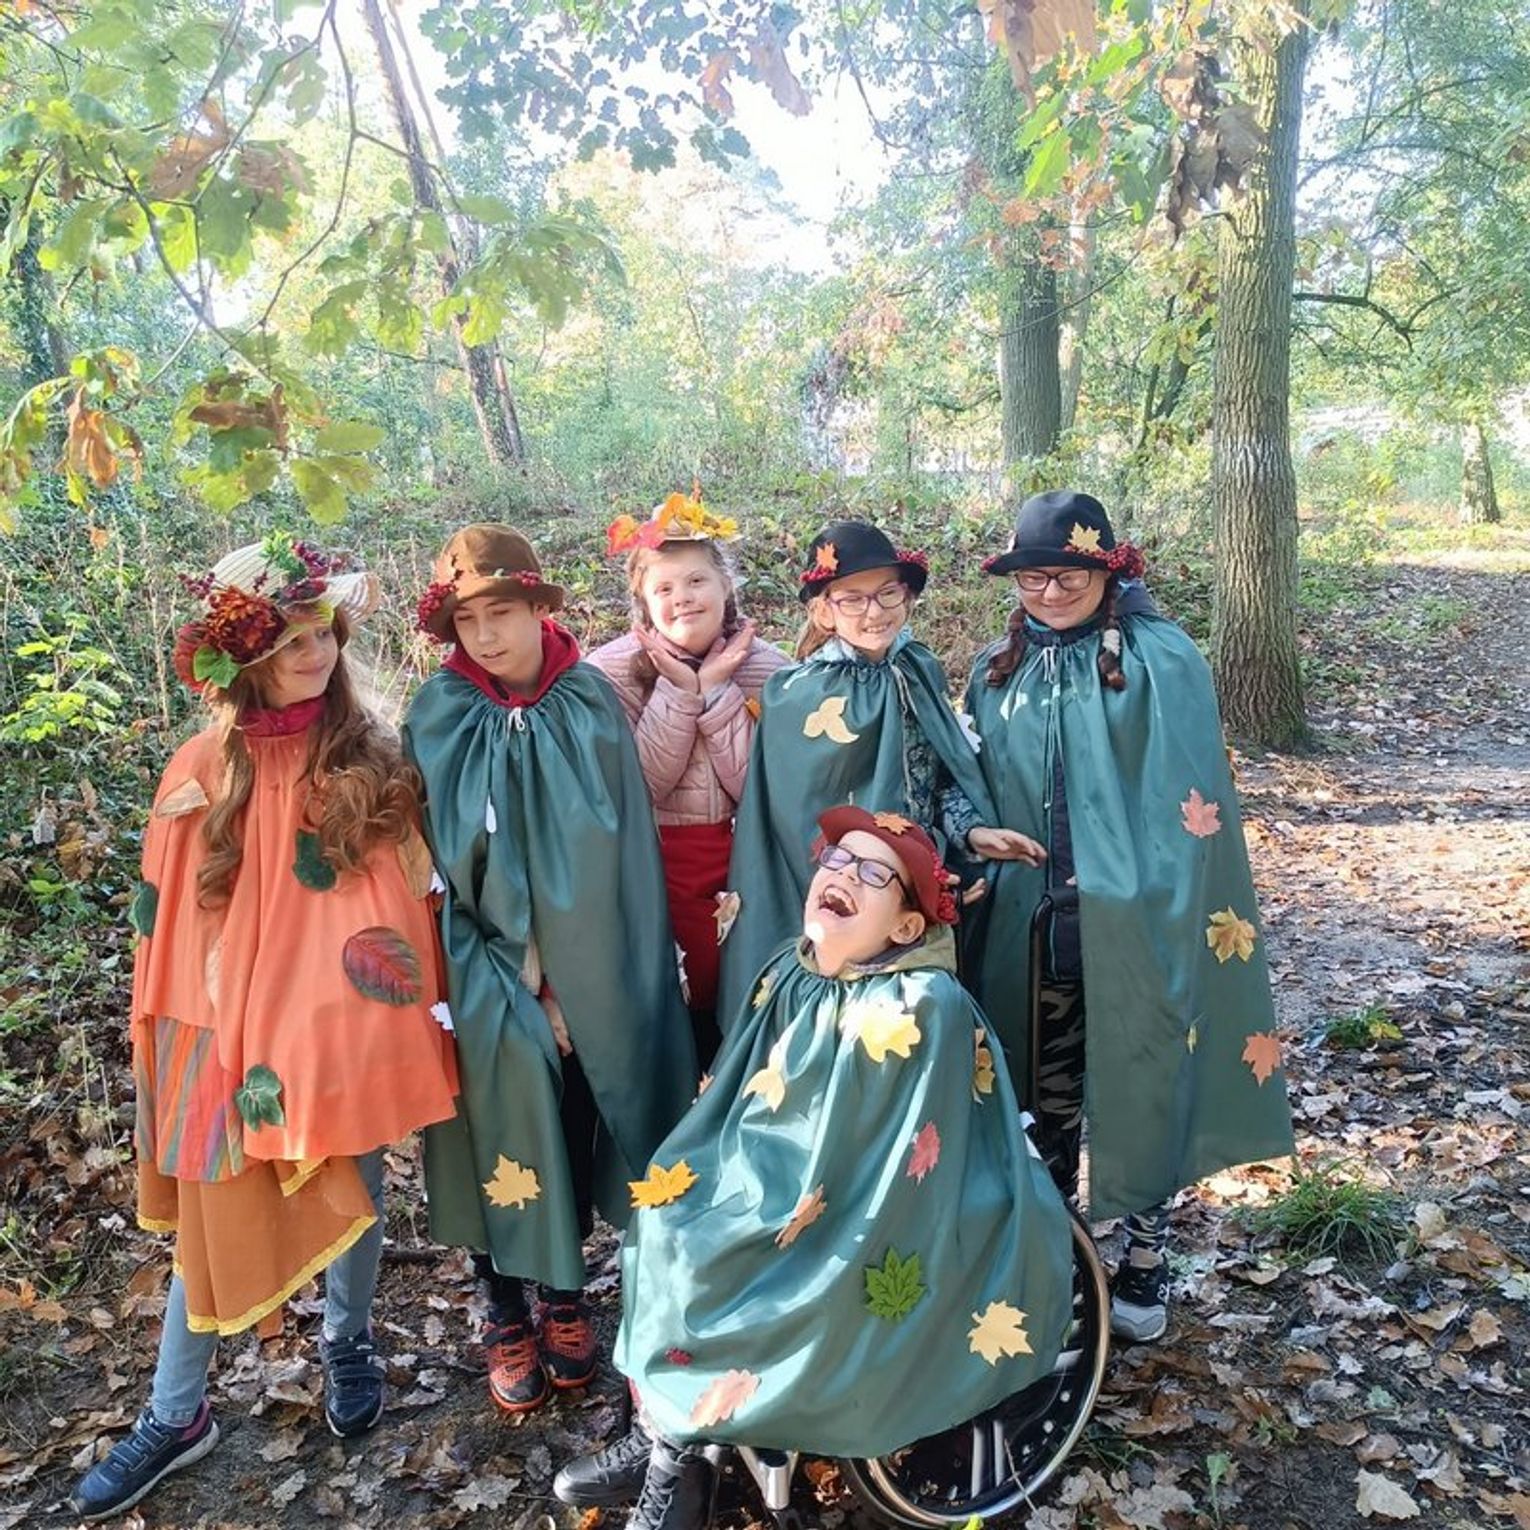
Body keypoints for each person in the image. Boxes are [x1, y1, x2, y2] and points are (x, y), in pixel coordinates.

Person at [70, 537, 459, 1521]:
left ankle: (348, 1340)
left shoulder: (370, 755)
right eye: (289, 639)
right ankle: (176, 1413)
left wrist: (339, 1016)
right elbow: (171, 926)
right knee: (216, 1201)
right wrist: (207, 1041)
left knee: (356, 1171)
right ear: (244, 656)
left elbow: (402, 901)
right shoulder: (203, 768)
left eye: (322, 631)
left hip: (338, 1026)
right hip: (225, 1031)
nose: (315, 651)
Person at [551, 806, 1074, 1529]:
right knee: (671, 1220)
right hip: (772, 1169)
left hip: (864, 1205)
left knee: (728, 1253)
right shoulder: (788, 971)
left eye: (874, 875)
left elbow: (897, 1156)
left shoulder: (921, 1005)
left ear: (906, 927)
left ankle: (676, 1467)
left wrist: (778, 1200)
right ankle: (671, 1437)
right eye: (836, 860)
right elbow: (737, 1093)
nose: (844, 876)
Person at [962, 489, 1295, 1344]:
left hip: (1137, 924)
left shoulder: (1161, 658)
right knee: (1040, 1097)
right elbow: (971, 790)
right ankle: (1058, 1260)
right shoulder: (997, 671)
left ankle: (1146, 1257)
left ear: (1108, 572)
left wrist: (1148, 898)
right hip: (1030, 930)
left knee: (1144, 1085)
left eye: (1069, 575)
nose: (1050, 591)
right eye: (1033, 577)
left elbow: (1190, 803)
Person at [404, 524, 697, 1416]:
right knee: (491, 1123)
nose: (486, 635)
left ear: (537, 606)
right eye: (467, 620)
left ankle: (565, 1298)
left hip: (591, 964)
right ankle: (501, 1306)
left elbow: (618, 853)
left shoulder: (588, 702)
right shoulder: (440, 711)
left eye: (502, 612)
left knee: (570, 1118)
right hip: (477, 961)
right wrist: (513, 970)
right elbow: (437, 854)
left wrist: (572, 981)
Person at [716, 519, 1041, 1025]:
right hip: (853, 899)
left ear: (907, 597)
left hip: (919, 892)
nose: (875, 611)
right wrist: (917, 880)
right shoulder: (799, 695)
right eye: (853, 598)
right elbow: (805, 831)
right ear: (823, 610)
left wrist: (970, 833)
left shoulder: (918, 668)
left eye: (888, 593)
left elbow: (936, 775)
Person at [587, 490, 787, 1063]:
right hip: (654, 865)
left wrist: (718, 689)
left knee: (743, 1008)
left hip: (745, 862)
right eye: (664, 589)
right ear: (643, 602)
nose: (683, 598)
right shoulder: (604, 675)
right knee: (667, 1010)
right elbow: (639, 787)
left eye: (697, 581)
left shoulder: (773, 670)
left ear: (726, 586)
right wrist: (680, 691)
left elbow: (763, 789)